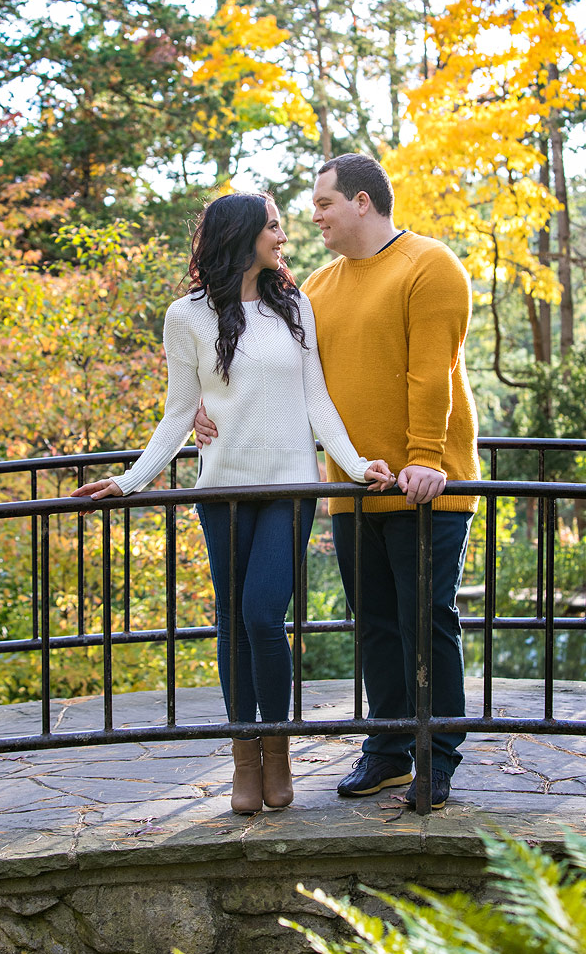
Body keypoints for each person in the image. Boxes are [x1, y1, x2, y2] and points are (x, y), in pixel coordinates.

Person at [72, 192, 393, 816]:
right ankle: (245, 757)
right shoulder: (186, 316)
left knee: (263, 615)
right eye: (273, 227)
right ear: (242, 236)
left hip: (290, 490)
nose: (283, 236)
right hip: (221, 492)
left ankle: (280, 752)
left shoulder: (294, 305)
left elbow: (316, 401)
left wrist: (356, 467)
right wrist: (129, 482)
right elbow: (175, 413)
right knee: (232, 625)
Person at [196, 155, 480, 810]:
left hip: (426, 483)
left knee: (425, 621)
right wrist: (207, 405)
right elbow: (273, 369)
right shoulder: (317, 288)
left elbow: (428, 374)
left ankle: (436, 756)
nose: (312, 216)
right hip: (355, 488)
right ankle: (385, 751)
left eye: (322, 203)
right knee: (375, 623)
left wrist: (424, 458)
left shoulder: (428, 265)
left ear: (359, 201)